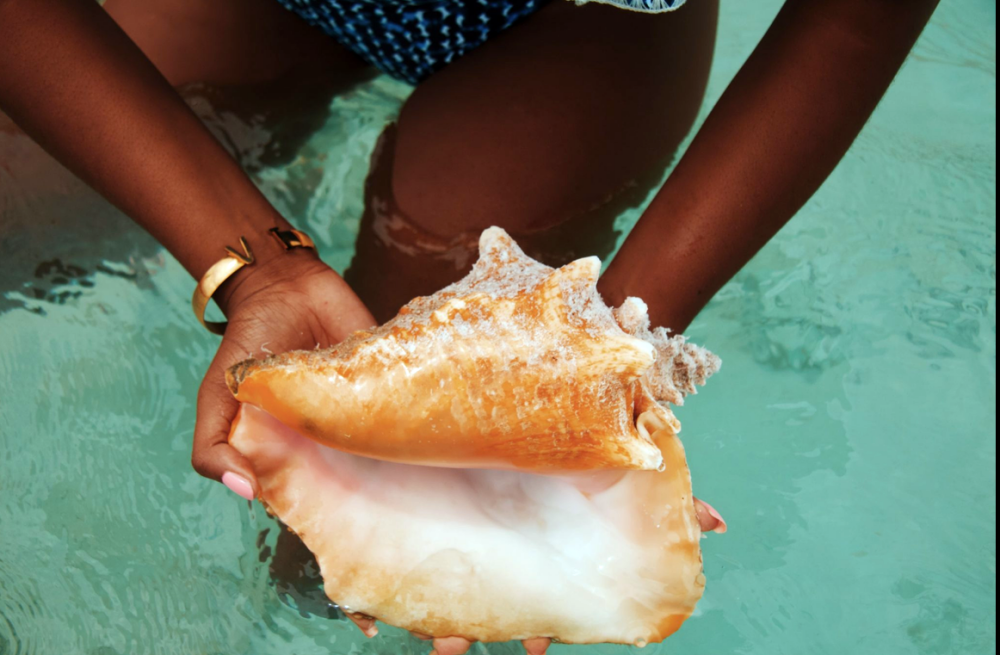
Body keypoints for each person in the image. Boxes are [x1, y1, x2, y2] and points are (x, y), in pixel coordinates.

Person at [0, 0, 938, 653]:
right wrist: (255, 261)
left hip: (572, 26)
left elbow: (856, 16)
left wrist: (610, 351)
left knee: (340, 566)